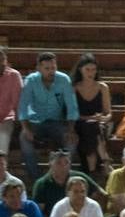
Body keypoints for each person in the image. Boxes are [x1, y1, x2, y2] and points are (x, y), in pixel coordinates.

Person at [17, 52, 79, 180]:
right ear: (39, 68)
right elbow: (23, 106)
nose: (51, 71)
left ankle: (63, 175)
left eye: (53, 68)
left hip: (57, 122)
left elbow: (72, 106)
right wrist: (26, 128)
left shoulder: (63, 79)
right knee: (24, 138)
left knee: (72, 141)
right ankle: (36, 179)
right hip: (35, 122)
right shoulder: (31, 80)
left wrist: (70, 129)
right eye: (47, 68)